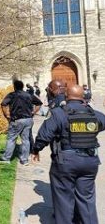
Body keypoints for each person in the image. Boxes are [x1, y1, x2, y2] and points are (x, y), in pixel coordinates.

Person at [31, 84, 105, 224]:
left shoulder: (59, 113)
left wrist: (36, 149)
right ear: (83, 97)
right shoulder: (93, 114)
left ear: (66, 96)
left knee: (64, 200)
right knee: (87, 200)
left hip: (66, 161)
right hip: (90, 161)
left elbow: (45, 134)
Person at [0, 80, 42, 165]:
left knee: (11, 139)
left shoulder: (12, 95)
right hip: (28, 120)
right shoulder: (29, 95)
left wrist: (6, 114)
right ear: (22, 87)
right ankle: (24, 160)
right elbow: (39, 103)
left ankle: (6, 158)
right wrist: (34, 112)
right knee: (25, 140)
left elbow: (3, 104)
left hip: (17, 120)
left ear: (14, 87)